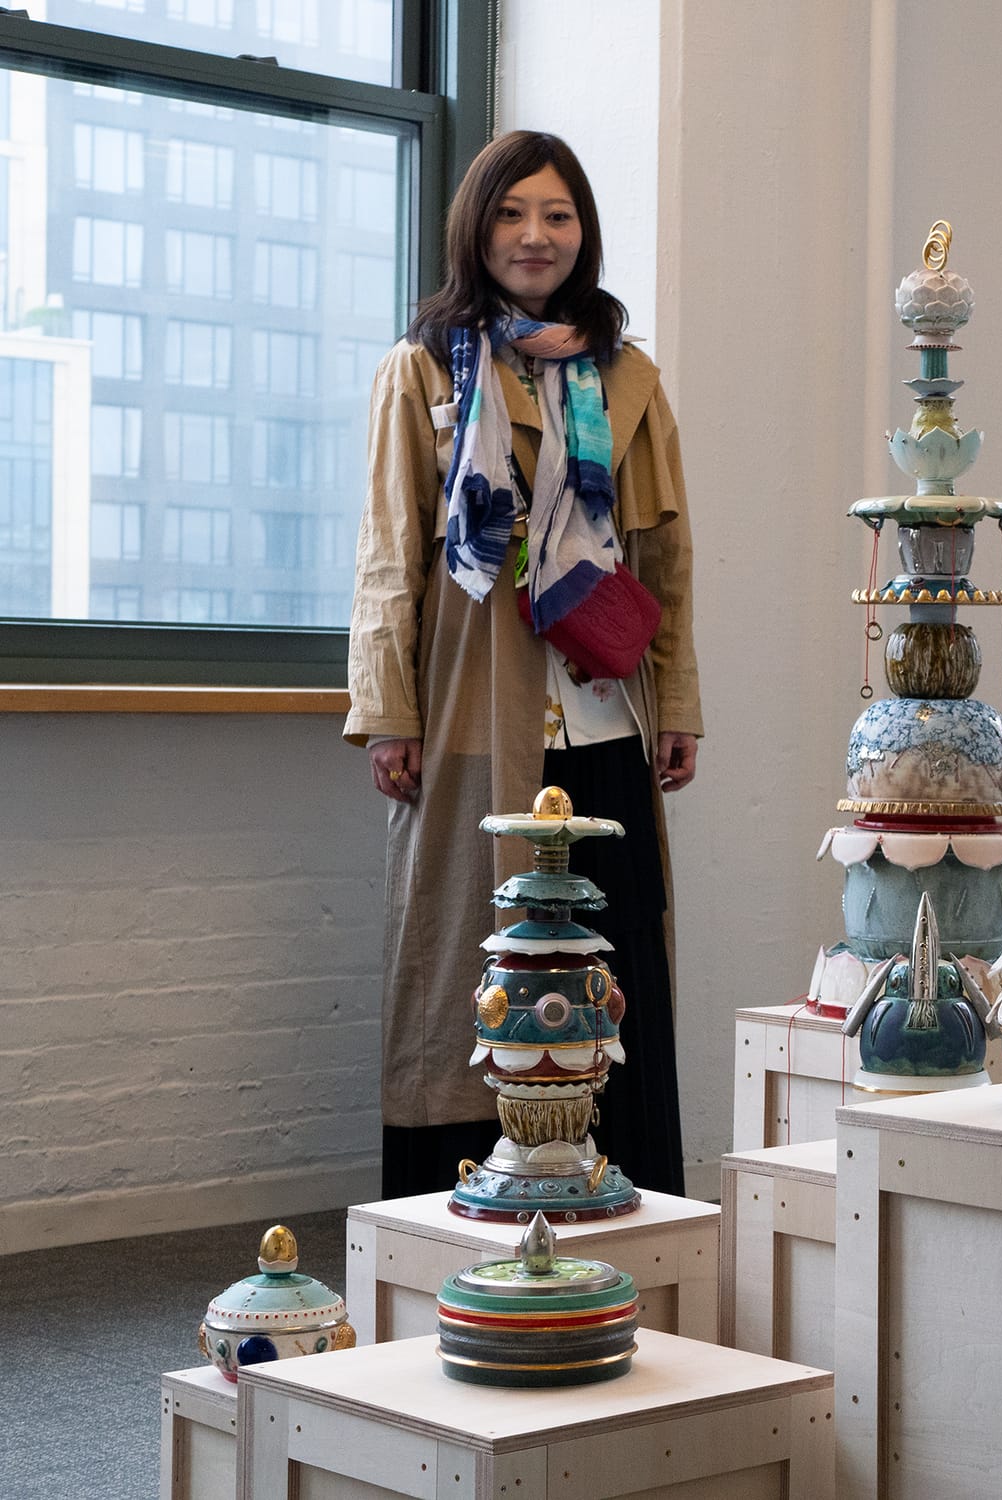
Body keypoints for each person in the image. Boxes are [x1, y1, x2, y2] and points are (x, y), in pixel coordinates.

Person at [344, 130, 701, 1200]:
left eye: (556, 214)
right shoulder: (423, 369)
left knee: (614, 970)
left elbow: (663, 561)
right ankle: (459, 1212)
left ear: (582, 231)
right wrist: (389, 711)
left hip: (605, 716)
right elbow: (389, 555)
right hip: (472, 717)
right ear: (475, 229)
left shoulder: (627, 379)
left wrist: (676, 702)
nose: (534, 235)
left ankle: (625, 1209)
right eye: (510, 213)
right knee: (469, 965)